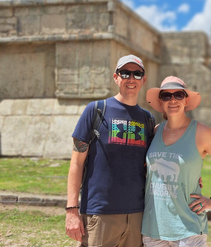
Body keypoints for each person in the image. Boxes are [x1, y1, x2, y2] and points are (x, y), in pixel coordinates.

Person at [65, 54, 154, 247]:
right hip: (100, 214)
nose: (131, 79)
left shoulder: (148, 119)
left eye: (137, 74)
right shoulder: (96, 110)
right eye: (125, 73)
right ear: (116, 77)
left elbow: (157, 161)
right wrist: (72, 210)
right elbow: (76, 162)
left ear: (144, 80)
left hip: (138, 215)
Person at [142, 76, 211, 246]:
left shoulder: (202, 133)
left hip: (188, 229)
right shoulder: (155, 131)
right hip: (153, 227)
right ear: (161, 101)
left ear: (186, 100)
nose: (172, 100)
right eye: (166, 96)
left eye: (178, 95)